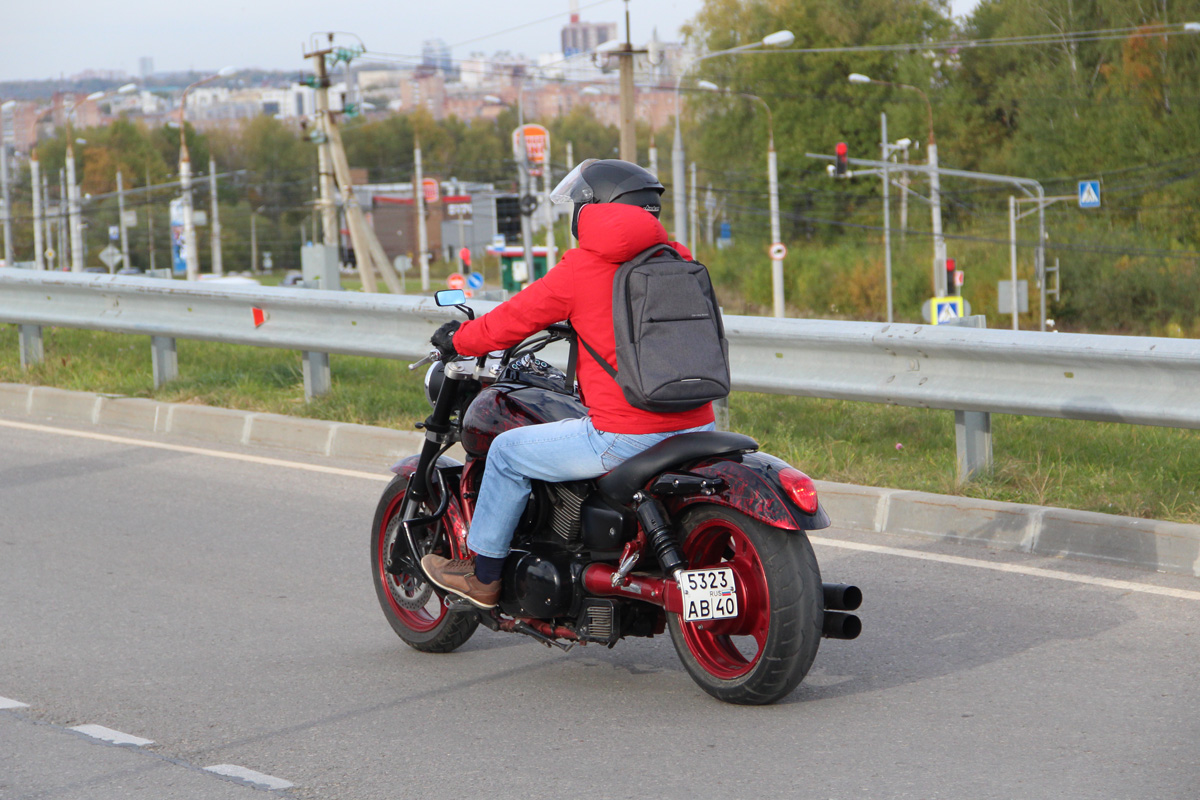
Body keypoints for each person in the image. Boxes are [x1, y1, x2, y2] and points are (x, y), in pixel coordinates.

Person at [420, 159, 716, 609]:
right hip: (699, 428)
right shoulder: (679, 259)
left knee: (504, 452)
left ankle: (483, 577)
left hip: (625, 435)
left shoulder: (583, 269)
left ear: (592, 211)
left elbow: (511, 320)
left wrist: (458, 338)